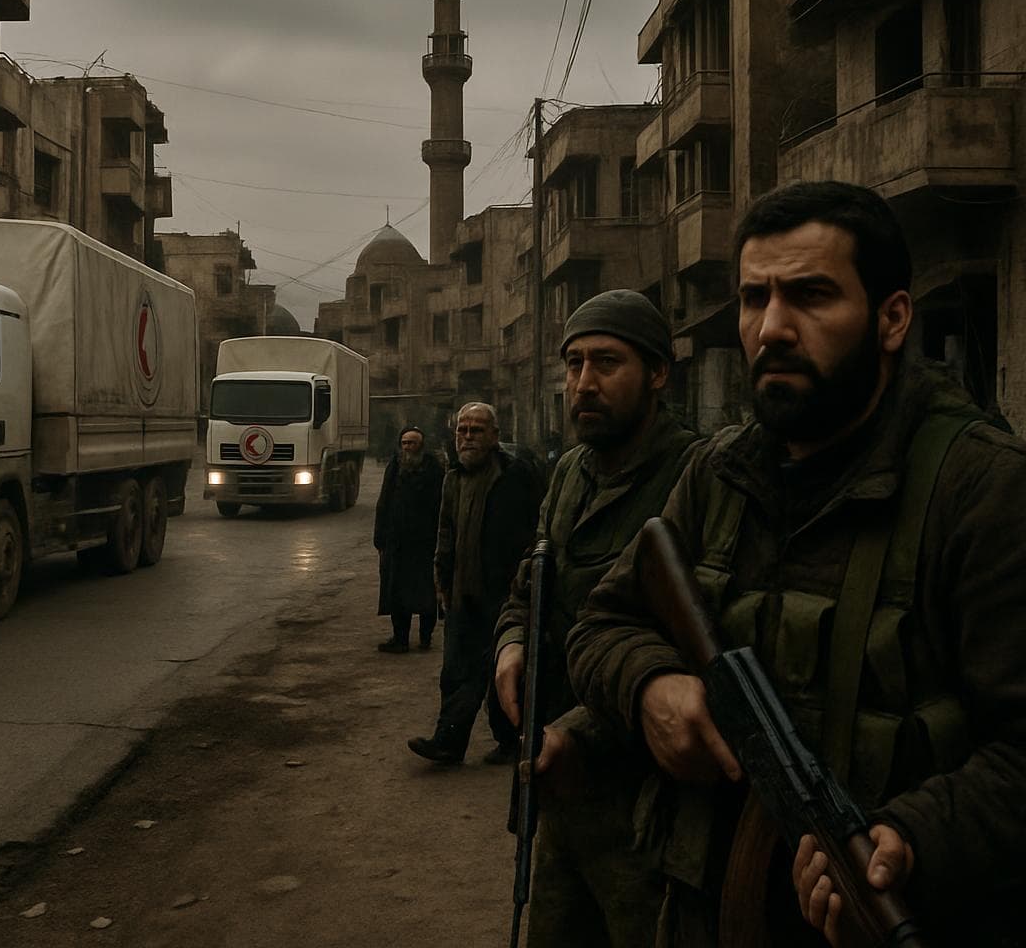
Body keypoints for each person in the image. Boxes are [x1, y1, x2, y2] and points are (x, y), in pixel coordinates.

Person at [568, 181, 1026, 945]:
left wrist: (914, 837)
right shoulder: (718, 475)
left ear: (892, 318)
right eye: (755, 299)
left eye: (811, 295)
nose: (772, 328)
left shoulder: (982, 490)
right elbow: (600, 625)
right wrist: (650, 685)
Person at [491, 290, 700, 946]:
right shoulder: (572, 473)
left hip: (647, 808)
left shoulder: (695, 476)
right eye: (574, 363)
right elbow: (532, 580)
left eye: (607, 363)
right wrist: (513, 641)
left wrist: (578, 732)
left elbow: (687, 645)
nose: (583, 382)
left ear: (658, 372)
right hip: (560, 786)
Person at [406, 402, 542, 765]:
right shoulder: (454, 478)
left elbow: (534, 531)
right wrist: (441, 579)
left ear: (494, 436)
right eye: (462, 430)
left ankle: (509, 740)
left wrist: (524, 587)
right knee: (455, 672)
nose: (467, 437)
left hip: (503, 594)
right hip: (461, 593)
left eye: (476, 430)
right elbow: (446, 531)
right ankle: (449, 742)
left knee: (500, 671)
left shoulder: (514, 476)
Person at [373, 425, 445, 653]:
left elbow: (442, 505)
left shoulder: (433, 468)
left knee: (426, 593)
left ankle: (425, 637)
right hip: (398, 542)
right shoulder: (395, 466)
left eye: (412, 443)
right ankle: (400, 638)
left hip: (425, 543)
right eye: (404, 443)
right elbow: (384, 500)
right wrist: (380, 537)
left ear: (420, 445)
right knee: (397, 593)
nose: (407, 447)